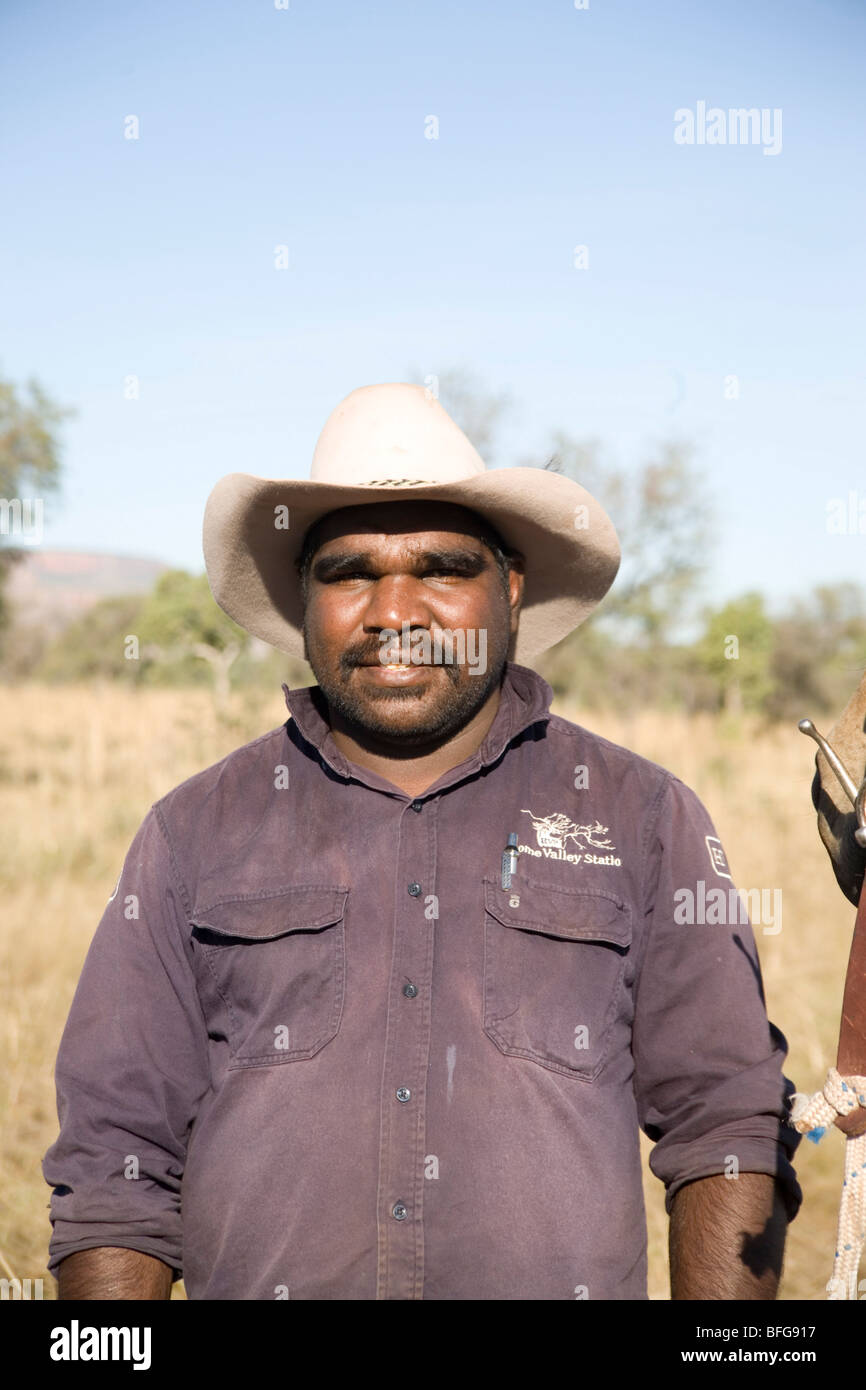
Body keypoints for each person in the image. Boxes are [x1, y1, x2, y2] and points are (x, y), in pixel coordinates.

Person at [43, 382, 801, 1300]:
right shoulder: (194, 830)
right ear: (305, 598)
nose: (394, 610)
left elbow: (726, 1123)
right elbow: (118, 1159)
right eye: (350, 572)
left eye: (441, 568)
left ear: (510, 589)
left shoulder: (642, 816)